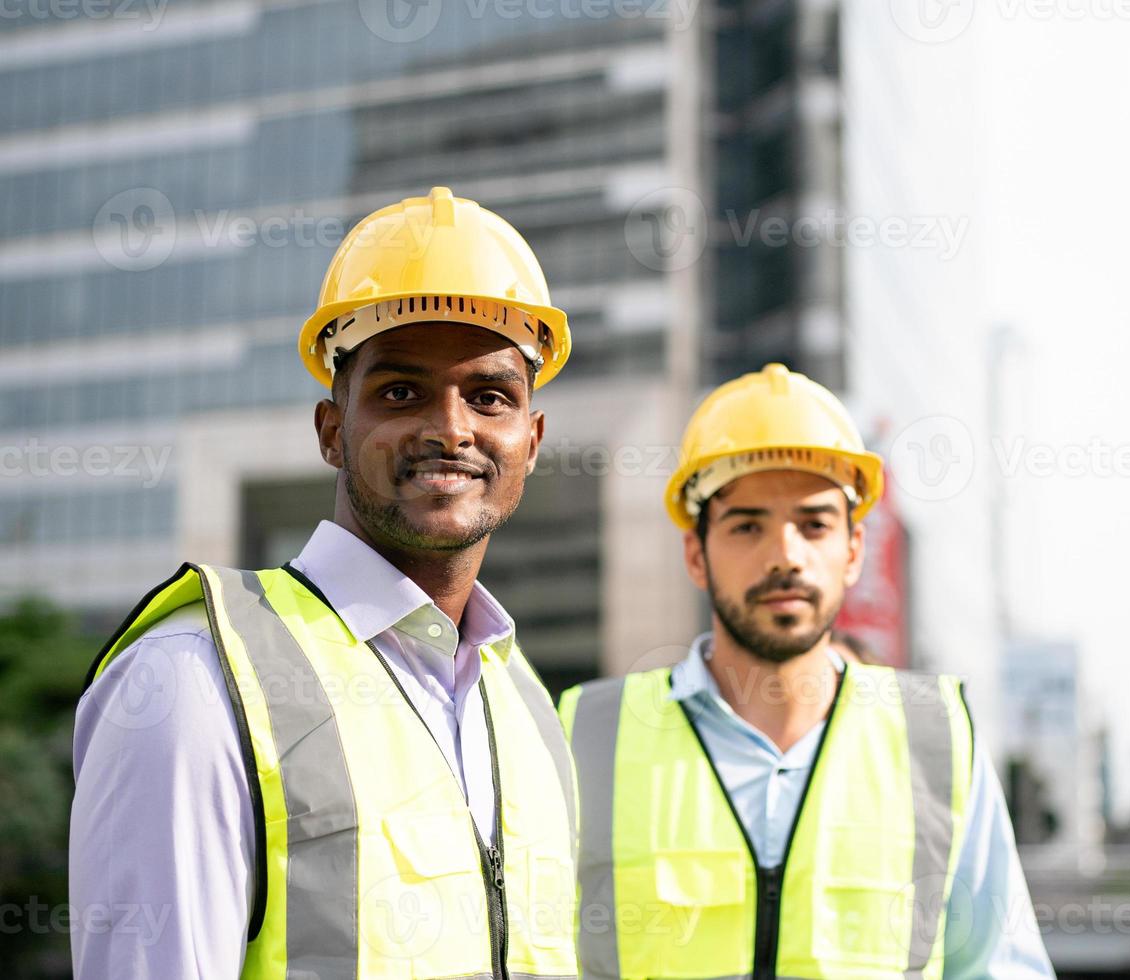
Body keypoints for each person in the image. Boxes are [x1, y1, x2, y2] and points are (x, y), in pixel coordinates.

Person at [70, 187, 579, 980]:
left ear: (531, 440)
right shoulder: (193, 682)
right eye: (400, 391)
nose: (451, 429)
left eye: (489, 396)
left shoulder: (530, 711)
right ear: (332, 430)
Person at [559, 363, 1055, 979]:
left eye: (814, 524)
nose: (785, 556)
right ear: (695, 552)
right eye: (747, 526)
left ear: (853, 551)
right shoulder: (587, 734)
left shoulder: (936, 739)